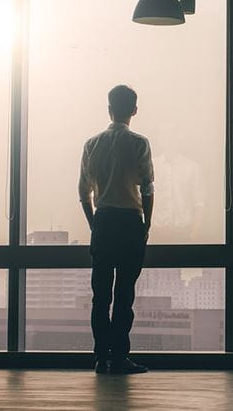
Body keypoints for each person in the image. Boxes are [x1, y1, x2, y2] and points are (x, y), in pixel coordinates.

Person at [79, 85, 154, 374]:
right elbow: (146, 187)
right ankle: (120, 357)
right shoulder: (139, 143)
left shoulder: (91, 144)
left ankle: (101, 358)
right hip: (129, 223)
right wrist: (146, 223)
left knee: (101, 295)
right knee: (124, 295)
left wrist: (93, 222)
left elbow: (83, 193)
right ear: (134, 110)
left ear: (109, 108)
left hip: (104, 221)